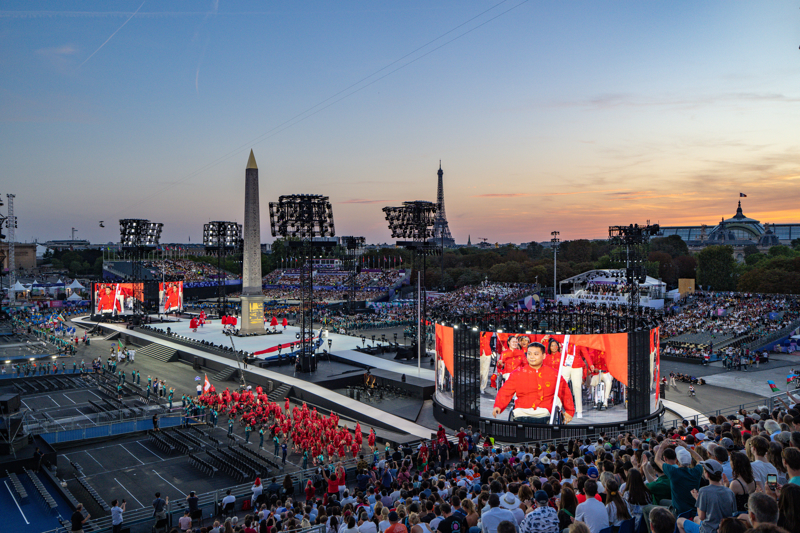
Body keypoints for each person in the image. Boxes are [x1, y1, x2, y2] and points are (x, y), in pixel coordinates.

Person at [492, 342, 575, 424]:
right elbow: (505, 391)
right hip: (521, 410)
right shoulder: (517, 374)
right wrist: (498, 406)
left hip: (544, 411)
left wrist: (569, 411)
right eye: (529, 354)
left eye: (536, 354)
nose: (532, 357)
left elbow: (565, 393)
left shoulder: (554, 374)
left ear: (543, 356)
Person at [676, 459, 736, 533]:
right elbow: (733, 513)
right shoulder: (729, 491)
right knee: (695, 519)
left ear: (707, 474)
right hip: (724, 529)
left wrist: (697, 499)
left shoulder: (703, 491)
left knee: (679, 521)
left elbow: (702, 517)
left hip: (708, 530)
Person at [654, 439, 704, 515]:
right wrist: (687, 447)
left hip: (679, 512)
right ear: (690, 461)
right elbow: (700, 459)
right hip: (694, 510)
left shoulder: (673, 472)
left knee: (650, 508)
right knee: (662, 501)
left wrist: (661, 447)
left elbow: (657, 459)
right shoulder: (696, 471)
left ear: (676, 461)